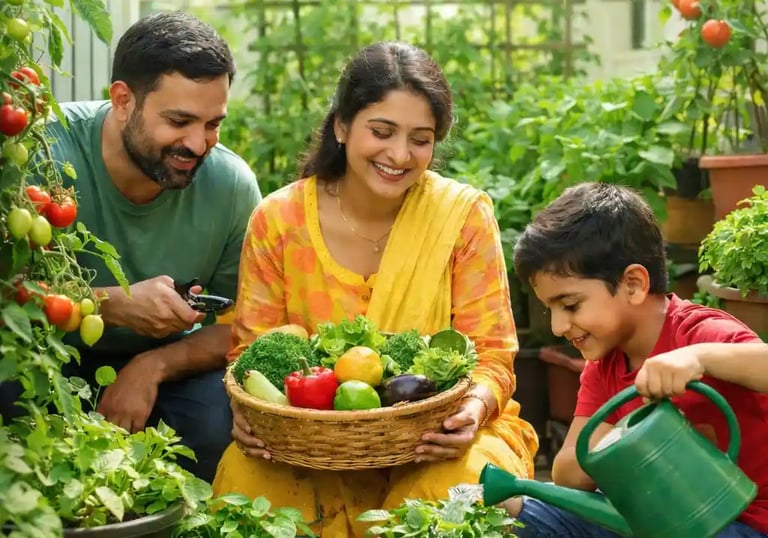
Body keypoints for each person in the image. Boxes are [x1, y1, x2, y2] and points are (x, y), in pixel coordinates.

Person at [211, 41, 539, 536]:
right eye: (381, 132)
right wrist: (248, 410)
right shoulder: (278, 220)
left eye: (420, 139)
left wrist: (472, 411)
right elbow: (252, 355)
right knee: (247, 480)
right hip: (313, 448)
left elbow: (492, 353)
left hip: (438, 442)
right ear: (342, 126)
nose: (399, 155)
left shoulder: (462, 217)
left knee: (457, 491)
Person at [37, 11, 260, 483]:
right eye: (179, 121)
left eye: (213, 124)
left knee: (222, 421)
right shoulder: (42, 156)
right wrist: (111, 304)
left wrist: (152, 366)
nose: (198, 144)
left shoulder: (231, 186)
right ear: (123, 100)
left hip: (169, 368)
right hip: (43, 357)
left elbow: (240, 326)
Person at [508, 181, 768, 537]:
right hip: (656, 518)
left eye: (570, 305)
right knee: (522, 512)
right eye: (549, 309)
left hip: (742, 522)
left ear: (633, 284)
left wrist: (699, 358)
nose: (557, 327)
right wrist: (627, 438)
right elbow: (566, 472)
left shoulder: (699, 333)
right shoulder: (605, 365)